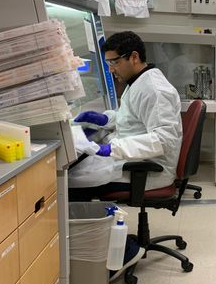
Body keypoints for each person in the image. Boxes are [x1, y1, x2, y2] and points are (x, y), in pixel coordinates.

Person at [69, 31, 182, 200]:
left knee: (68, 184)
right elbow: (131, 117)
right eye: (108, 63)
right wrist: (106, 119)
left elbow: (164, 139)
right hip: (133, 160)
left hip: (146, 169)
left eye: (114, 62)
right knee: (75, 173)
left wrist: (111, 148)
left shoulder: (154, 89)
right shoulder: (138, 81)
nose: (110, 69)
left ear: (134, 57)